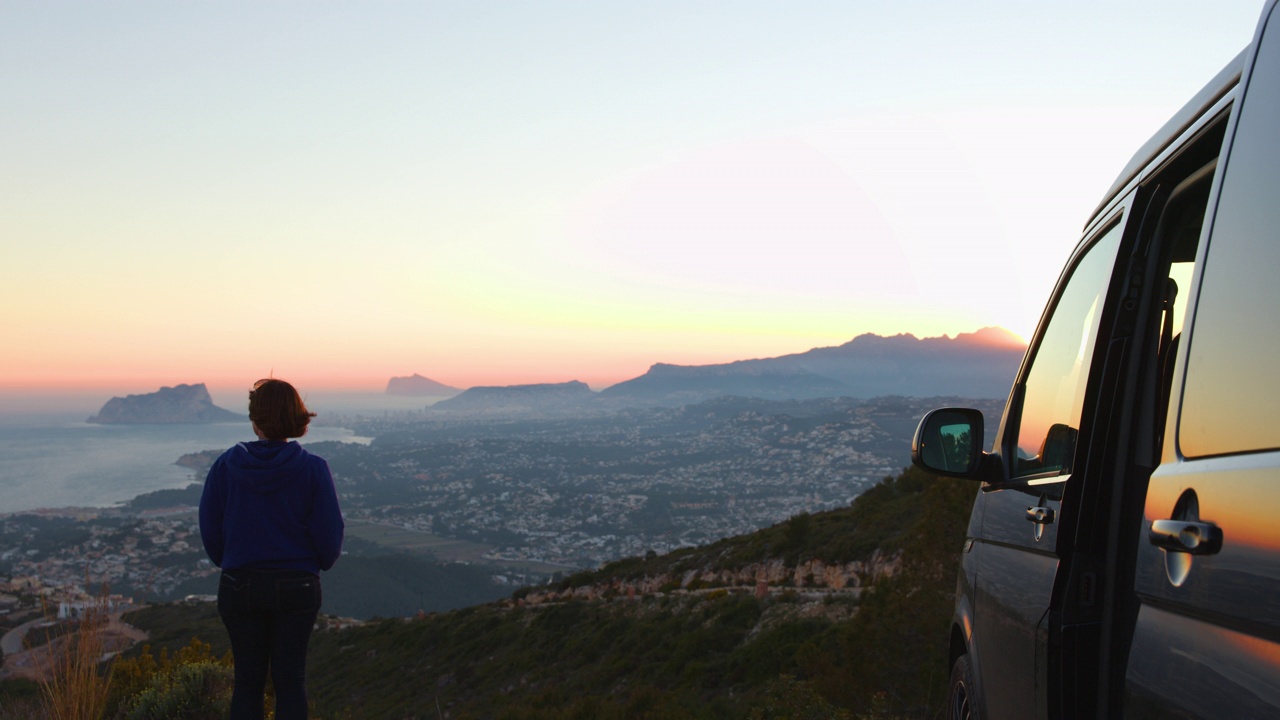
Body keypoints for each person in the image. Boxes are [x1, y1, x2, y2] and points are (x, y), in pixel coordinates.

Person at [199, 378, 344, 720]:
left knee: (247, 683)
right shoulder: (313, 469)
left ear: (255, 419)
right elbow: (330, 537)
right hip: (298, 586)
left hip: (240, 585)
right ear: (297, 418)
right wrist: (312, 565)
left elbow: (210, 530)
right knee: (290, 682)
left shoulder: (225, 466)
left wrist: (234, 562)